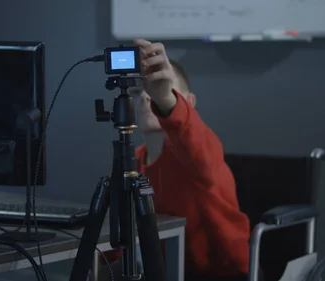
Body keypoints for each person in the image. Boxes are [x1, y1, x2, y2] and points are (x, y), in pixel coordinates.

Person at [97, 39, 251, 281]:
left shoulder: (201, 151)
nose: (147, 98)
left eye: (159, 91)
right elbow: (122, 232)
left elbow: (198, 150)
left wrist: (165, 99)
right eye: (140, 92)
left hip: (217, 274)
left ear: (188, 102)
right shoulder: (133, 161)